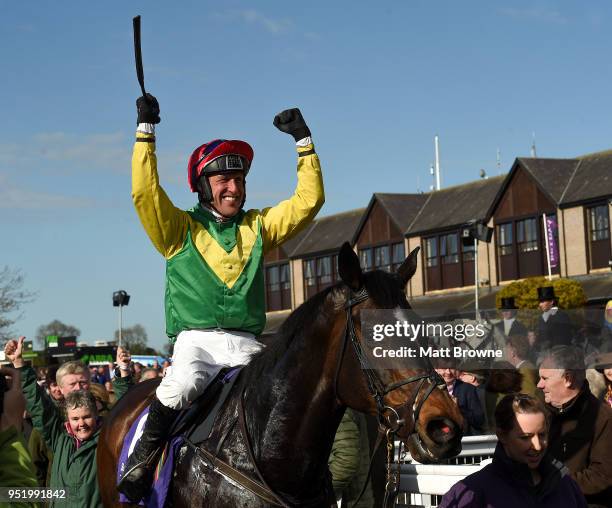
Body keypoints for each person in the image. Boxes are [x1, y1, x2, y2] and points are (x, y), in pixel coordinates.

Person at [118, 92, 324, 502]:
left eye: (240, 180)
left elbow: (308, 202)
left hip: (249, 345)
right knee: (183, 384)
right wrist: (146, 134)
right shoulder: (177, 230)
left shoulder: (258, 226)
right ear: (202, 187)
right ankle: (141, 460)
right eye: (223, 181)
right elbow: (145, 194)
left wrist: (304, 143)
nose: (234, 188)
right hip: (196, 342)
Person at [439, 393, 586, 507]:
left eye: (542, 435)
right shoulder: (474, 492)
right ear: (502, 436)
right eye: (525, 437)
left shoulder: (565, 485)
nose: (537, 445)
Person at [4, 337, 102, 507]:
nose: (81, 423)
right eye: (75, 419)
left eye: (83, 382)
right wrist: (19, 363)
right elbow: (38, 405)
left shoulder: (106, 433)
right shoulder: (59, 434)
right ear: (59, 388)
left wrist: (123, 373)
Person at [537, 346, 612, 506]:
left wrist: (552, 482)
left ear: (568, 379)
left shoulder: (603, 418)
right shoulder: (539, 414)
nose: (539, 385)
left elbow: (603, 476)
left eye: (545, 378)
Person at [328, 409, 374, 507]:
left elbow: (345, 462)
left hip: (351, 500)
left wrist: (316, 494)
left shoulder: (340, 405)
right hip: (357, 499)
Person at [435, 363, 485, 435]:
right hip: (438, 439)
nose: (448, 372)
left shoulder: (467, 389)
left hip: (463, 439)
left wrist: (458, 408)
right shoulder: (428, 390)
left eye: (452, 368)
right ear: (436, 369)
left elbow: (478, 420)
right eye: (444, 368)